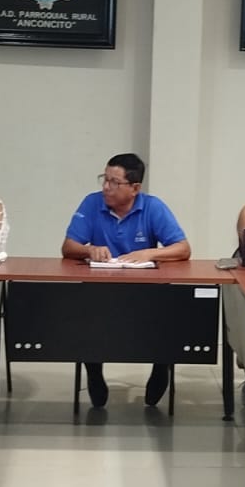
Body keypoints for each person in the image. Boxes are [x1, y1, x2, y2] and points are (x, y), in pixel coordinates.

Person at [61, 152, 190, 408]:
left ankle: (161, 367)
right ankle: (94, 372)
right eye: (104, 179)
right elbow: (68, 247)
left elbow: (183, 248)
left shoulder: (152, 207)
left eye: (114, 182)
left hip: (146, 291)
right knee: (83, 313)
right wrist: (89, 250)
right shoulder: (92, 203)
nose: (106, 187)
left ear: (135, 188)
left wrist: (149, 253)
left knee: (171, 311)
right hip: (101, 290)